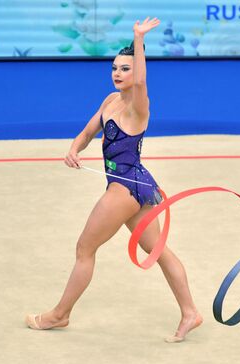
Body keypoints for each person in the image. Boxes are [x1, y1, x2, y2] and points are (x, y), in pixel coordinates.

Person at [26, 17, 202, 343]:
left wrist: (138, 39)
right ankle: (190, 311)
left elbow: (142, 82)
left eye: (125, 69)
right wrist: (74, 150)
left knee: (84, 248)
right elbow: (88, 130)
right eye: (115, 68)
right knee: (158, 250)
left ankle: (59, 314)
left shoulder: (139, 107)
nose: (118, 74)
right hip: (134, 186)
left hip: (125, 188)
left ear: (136, 74)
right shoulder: (110, 100)